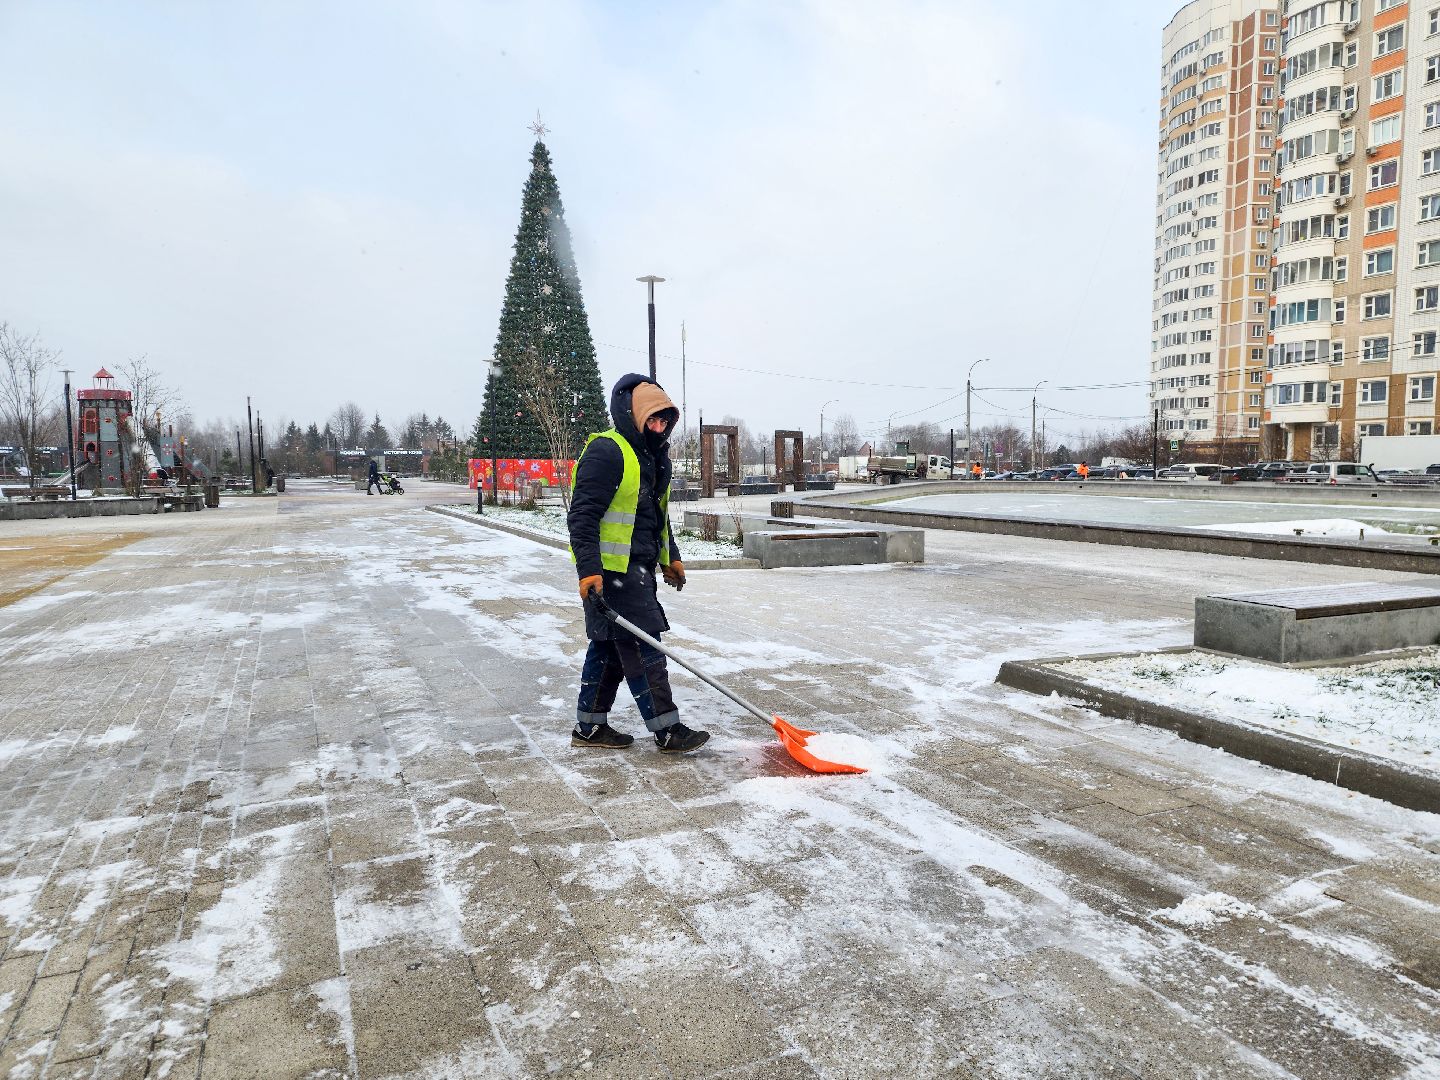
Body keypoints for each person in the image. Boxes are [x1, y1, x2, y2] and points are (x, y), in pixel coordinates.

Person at [567, 373, 709, 754]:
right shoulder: (607, 451)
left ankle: (590, 727)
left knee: (610, 646)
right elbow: (582, 517)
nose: (658, 427)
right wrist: (589, 571)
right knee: (645, 647)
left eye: (665, 421)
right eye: (652, 419)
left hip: (639, 570)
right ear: (634, 414)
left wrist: (671, 559)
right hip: (612, 573)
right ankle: (667, 729)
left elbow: (655, 517)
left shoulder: (653, 458)